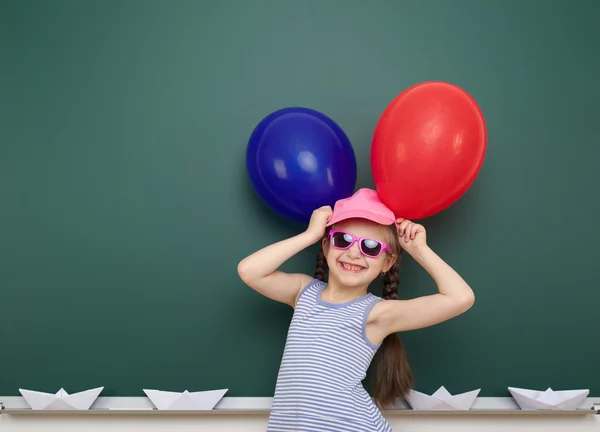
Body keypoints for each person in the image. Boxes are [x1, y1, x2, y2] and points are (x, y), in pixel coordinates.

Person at [237, 188, 475, 432]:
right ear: (327, 247)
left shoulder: (377, 314)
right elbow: (250, 270)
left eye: (371, 247)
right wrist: (309, 235)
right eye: (342, 240)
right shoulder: (302, 291)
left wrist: (419, 251)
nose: (353, 253)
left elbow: (460, 297)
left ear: (388, 262)